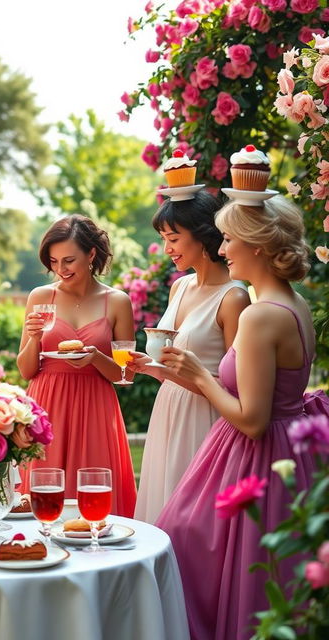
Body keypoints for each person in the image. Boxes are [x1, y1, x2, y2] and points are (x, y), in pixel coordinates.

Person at [155, 195, 325, 640]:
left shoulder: (260, 316)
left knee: (188, 545)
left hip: (256, 453)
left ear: (257, 246)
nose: (223, 248)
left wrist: (200, 375)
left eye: (229, 238)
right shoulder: (294, 304)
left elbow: (252, 419)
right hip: (285, 449)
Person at [130, 191, 250, 523]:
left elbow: (238, 388)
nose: (167, 248)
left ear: (202, 235)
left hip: (206, 420)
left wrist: (179, 373)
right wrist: (149, 367)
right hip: (168, 411)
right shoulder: (179, 287)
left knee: (193, 521)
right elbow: (173, 370)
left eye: (173, 238)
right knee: (161, 509)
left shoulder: (234, 298)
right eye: (163, 239)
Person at [17, 214, 137, 516]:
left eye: (68, 260)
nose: (60, 270)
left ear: (91, 254)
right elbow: (26, 370)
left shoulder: (117, 301)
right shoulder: (40, 297)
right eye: (54, 262)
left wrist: (96, 356)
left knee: (94, 501)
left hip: (96, 407)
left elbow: (126, 374)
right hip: (47, 405)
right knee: (44, 500)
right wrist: (33, 338)